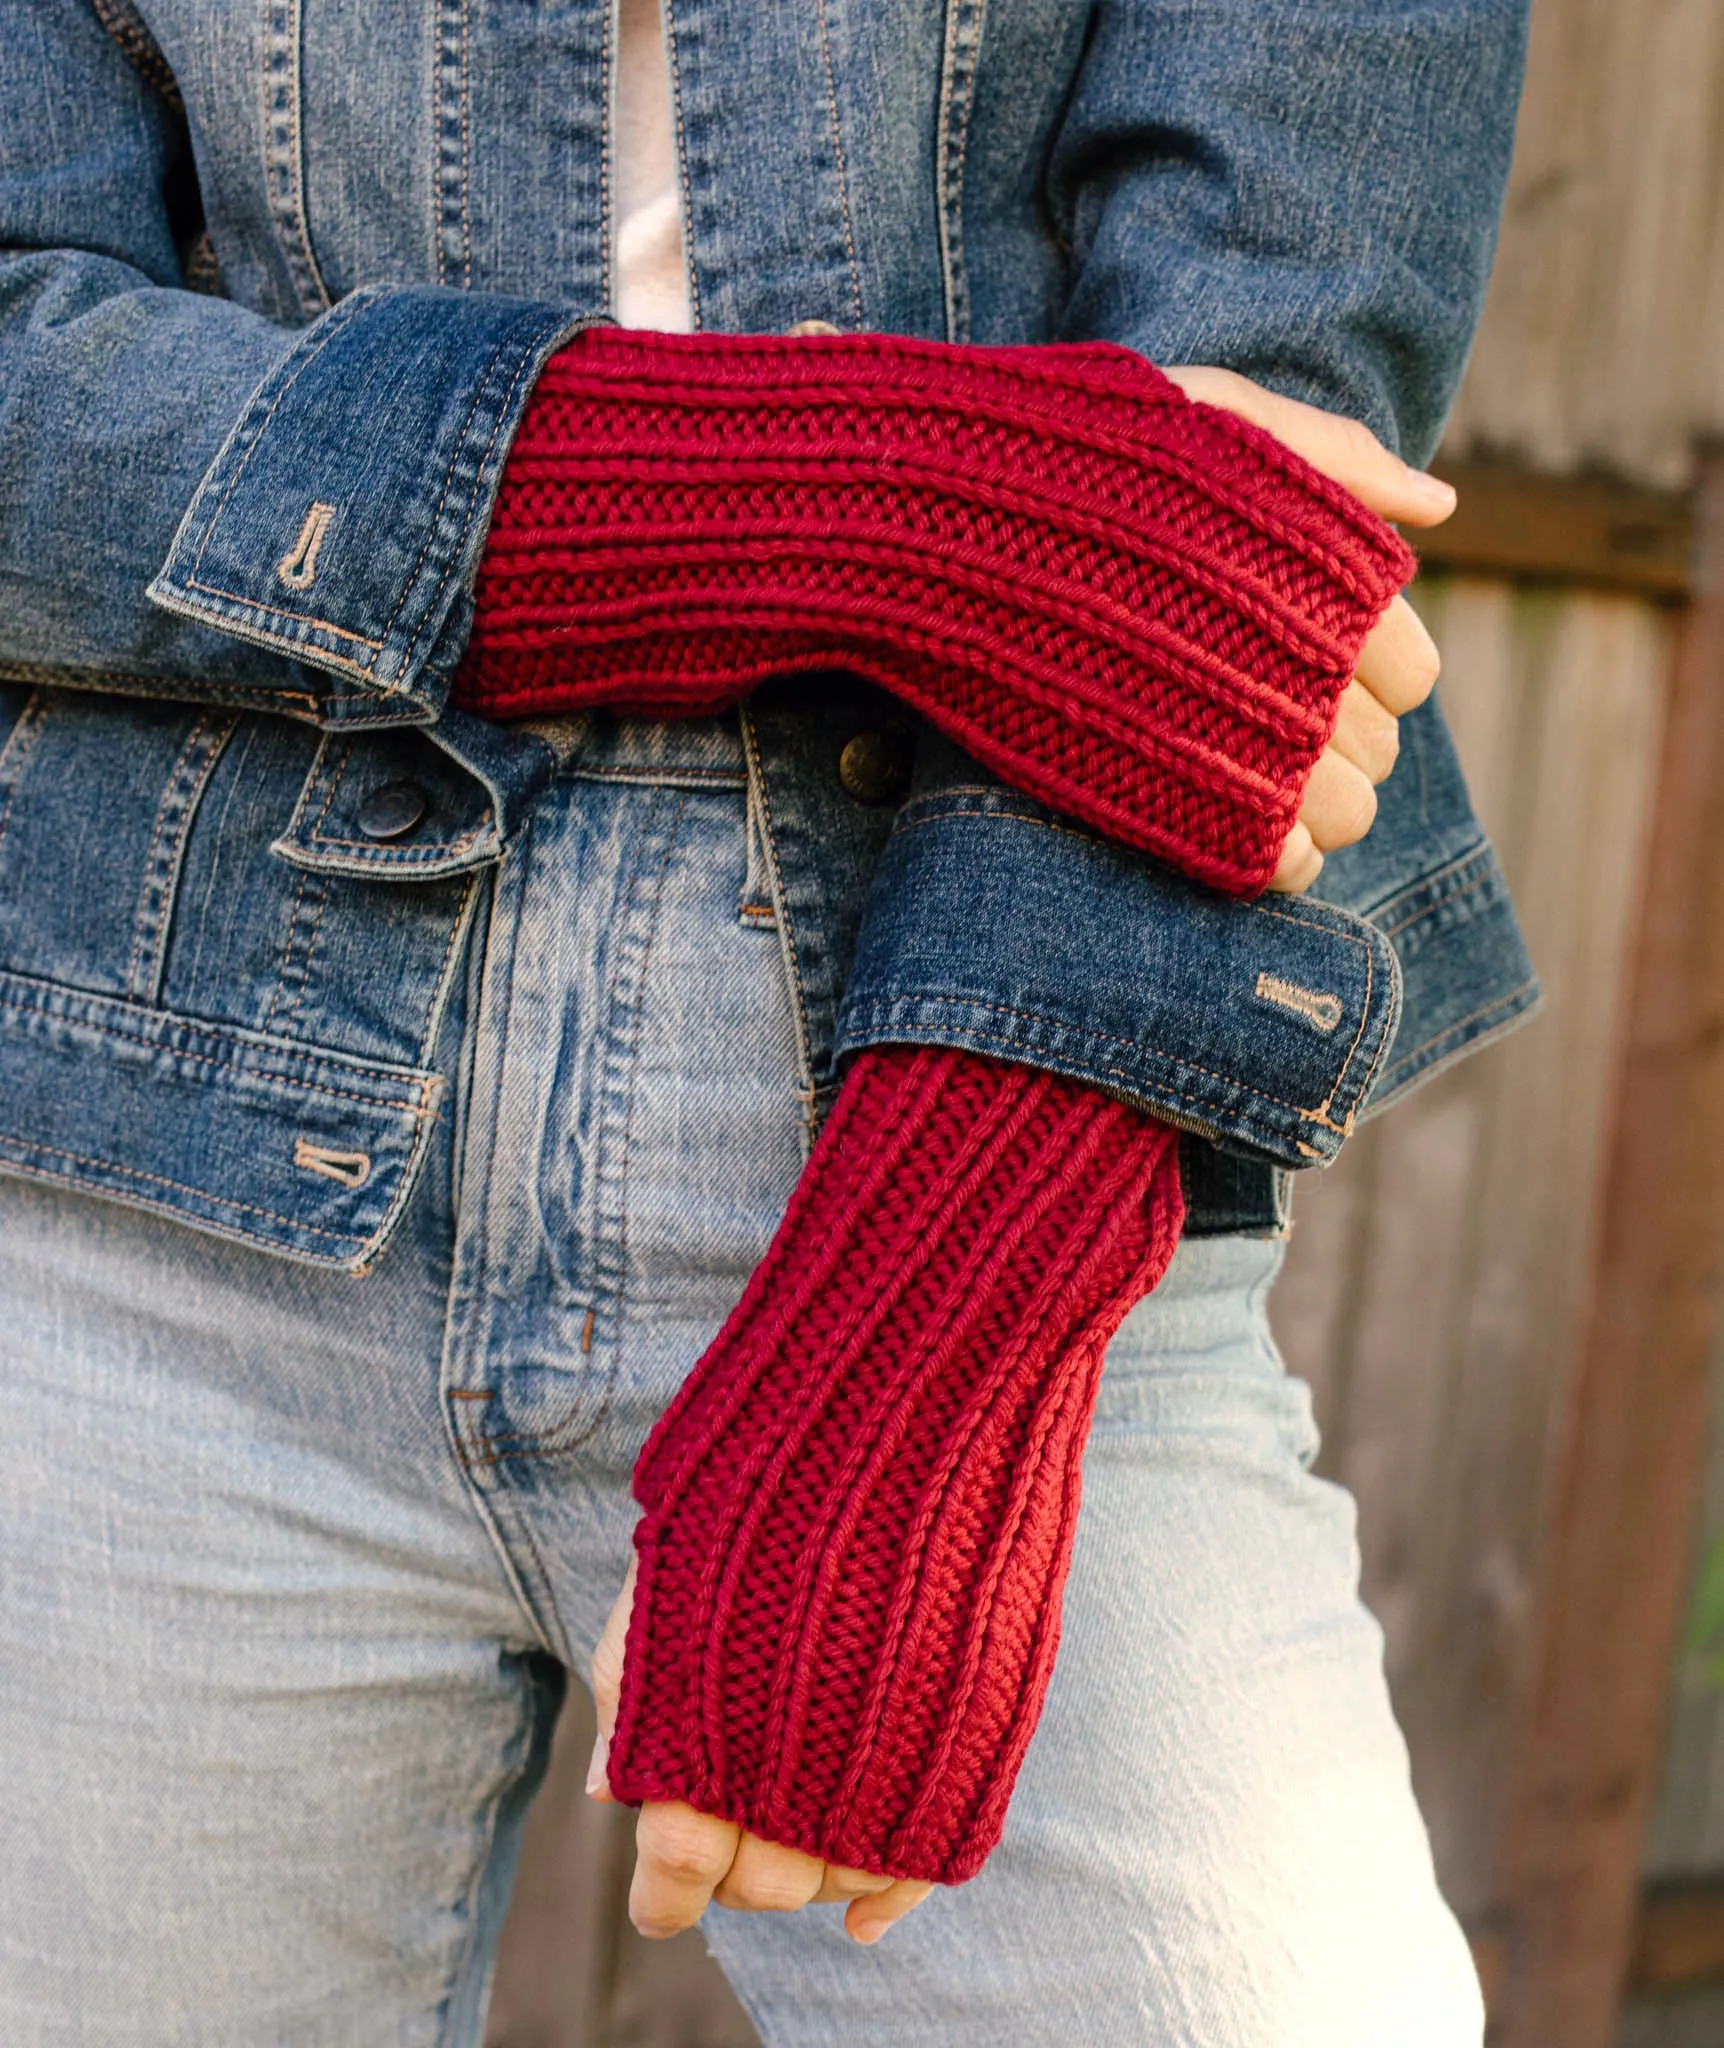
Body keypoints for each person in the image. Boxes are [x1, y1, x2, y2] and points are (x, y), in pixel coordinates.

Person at [0, 1, 1537, 2043]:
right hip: (151, 1123)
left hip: (961, 1029)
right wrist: (906, 500)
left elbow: (1264, 426)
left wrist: (938, 1294)